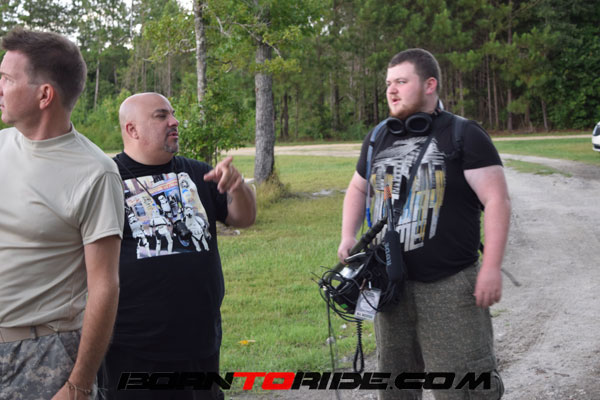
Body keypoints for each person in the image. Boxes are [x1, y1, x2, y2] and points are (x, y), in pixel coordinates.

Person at [337, 48, 510, 400]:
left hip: (451, 286)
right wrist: (347, 236)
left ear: (430, 85)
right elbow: (357, 188)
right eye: (388, 83)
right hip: (390, 286)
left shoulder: (464, 135)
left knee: (463, 387)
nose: (391, 90)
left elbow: (497, 201)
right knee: (395, 386)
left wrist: (491, 267)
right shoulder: (378, 136)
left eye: (401, 81)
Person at [101, 92, 256, 399]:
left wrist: (237, 187)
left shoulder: (198, 172)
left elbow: (244, 218)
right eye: (161, 116)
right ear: (132, 129)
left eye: (172, 114)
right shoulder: (107, 179)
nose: (174, 121)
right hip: (133, 346)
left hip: (199, 340)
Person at [0, 29, 124, 399]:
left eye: (7, 79)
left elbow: (105, 286)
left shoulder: (95, 173)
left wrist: (79, 385)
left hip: (42, 354)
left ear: (45, 95)